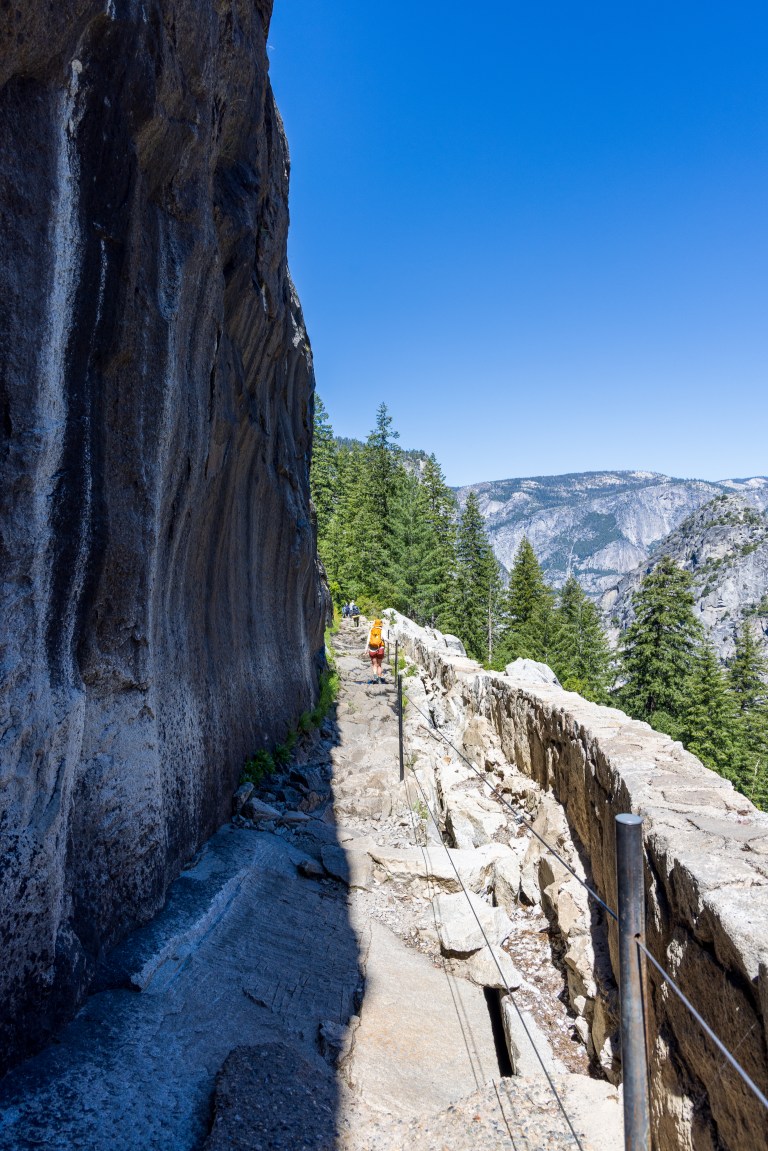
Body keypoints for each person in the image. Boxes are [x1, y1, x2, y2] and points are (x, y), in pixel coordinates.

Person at [364, 618, 386, 683]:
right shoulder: (382, 630)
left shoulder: (371, 630)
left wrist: (366, 649)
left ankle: (375, 677)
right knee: (379, 665)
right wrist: (392, 643)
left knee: (374, 664)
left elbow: (368, 640)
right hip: (380, 649)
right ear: (380, 624)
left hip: (372, 649)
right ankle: (379, 679)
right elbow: (385, 639)